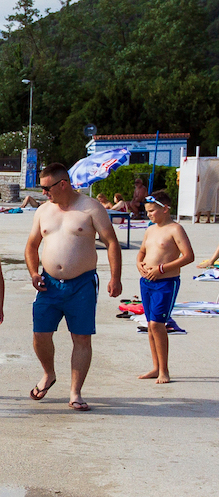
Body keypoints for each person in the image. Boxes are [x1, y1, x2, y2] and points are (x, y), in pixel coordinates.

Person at [25, 163, 123, 412]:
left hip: (82, 284)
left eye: (47, 188)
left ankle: (75, 392)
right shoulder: (44, 212)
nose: (44, 193)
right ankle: (49, 373)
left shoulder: (90, 208)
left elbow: (111, 242)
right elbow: (31, 246)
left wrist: (115, 277)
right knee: (40, 334)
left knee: (81, 338)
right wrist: (34, 272)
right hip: (49, 284)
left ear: (63, 184)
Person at [136, 190, 194, 384]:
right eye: (148, 211)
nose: (149, 214)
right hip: (146, 282)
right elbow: (142, 252)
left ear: (165, 209)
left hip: (165, 283)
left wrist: (161, 269)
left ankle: (164, 370)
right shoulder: (150, 229)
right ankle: (156, 367)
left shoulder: (175, 229)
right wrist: (139, 264)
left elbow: (188, 256)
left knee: (157, 324)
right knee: (150, 324)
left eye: (152, 211)